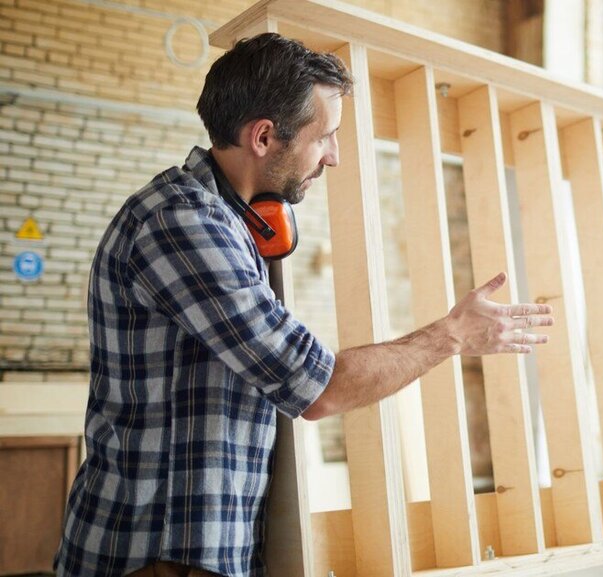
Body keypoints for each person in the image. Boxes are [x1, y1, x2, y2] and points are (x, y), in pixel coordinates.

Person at [55, 33, 553, 577]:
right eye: (326, 138)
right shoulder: (184, 223)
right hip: (151, 558)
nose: (334, 157)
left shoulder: (228, 220)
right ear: (264, 136)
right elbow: (319, 387)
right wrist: (452, 334)